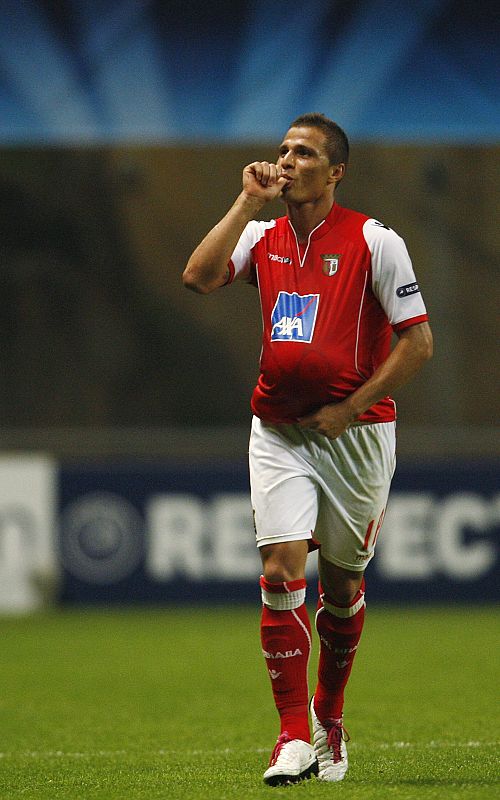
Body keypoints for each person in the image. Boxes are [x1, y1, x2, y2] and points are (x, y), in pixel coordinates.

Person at [183, 113, 433, 785]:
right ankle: (292, 735)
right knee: (279, 569)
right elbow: (199, 276)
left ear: (336, 170)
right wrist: (245, 202)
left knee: (344, 585)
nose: (287, 160)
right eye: (283, 149)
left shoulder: (375, 241)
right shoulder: (261, 236)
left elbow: (418, 342)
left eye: (305, 152)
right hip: (279, 431)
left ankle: (330, 714)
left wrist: (351, 407)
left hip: (356, 435)